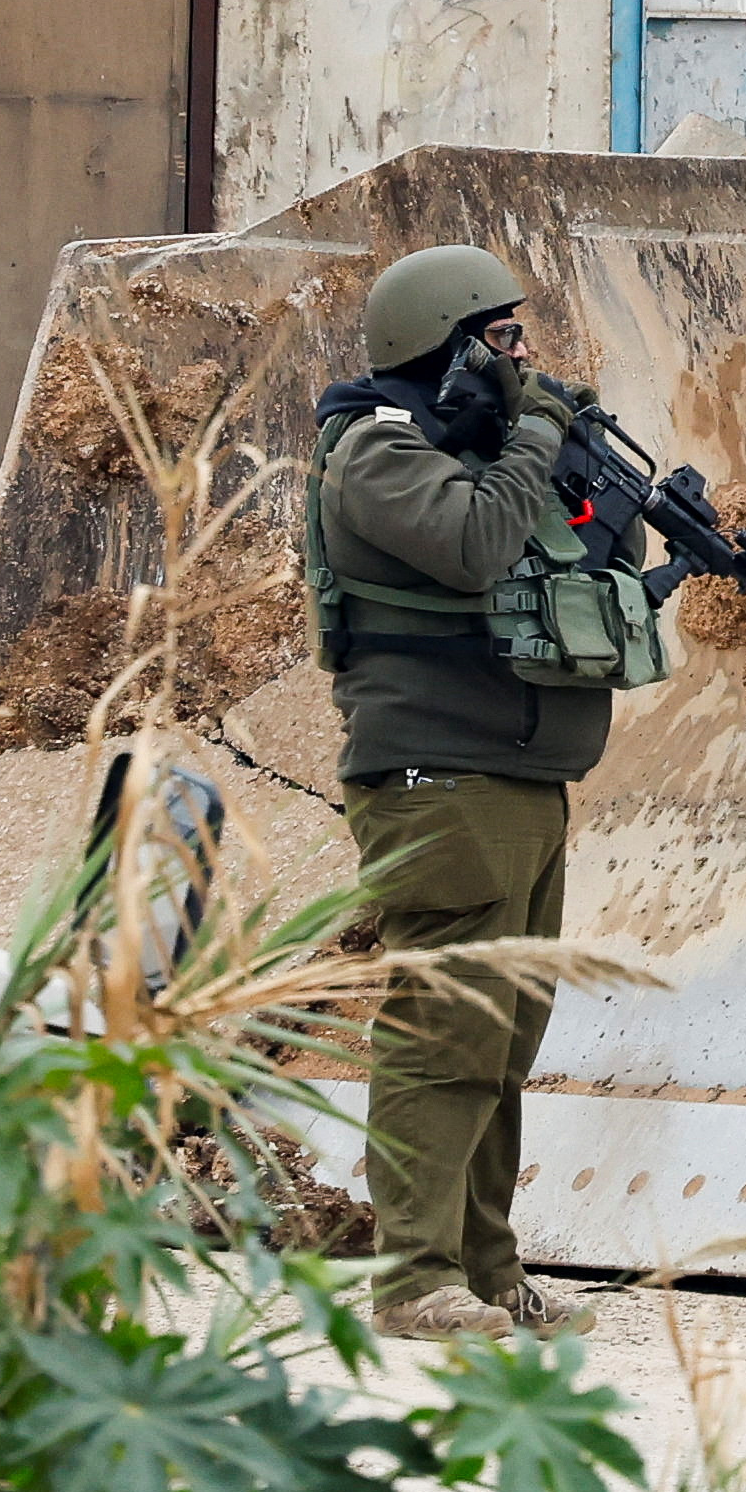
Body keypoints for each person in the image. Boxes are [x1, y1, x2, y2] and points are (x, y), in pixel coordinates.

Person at [305, 243, 617, 1341]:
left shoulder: (466, 447)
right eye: (502, 339)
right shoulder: (376, 451)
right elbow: (476, 542)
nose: (523, 357)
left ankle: (485, 1269)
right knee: (443, 1032)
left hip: (522, 775)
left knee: (504, 1040)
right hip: (440, 776)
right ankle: (412, 1276)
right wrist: (535, 433)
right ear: (445, 344)